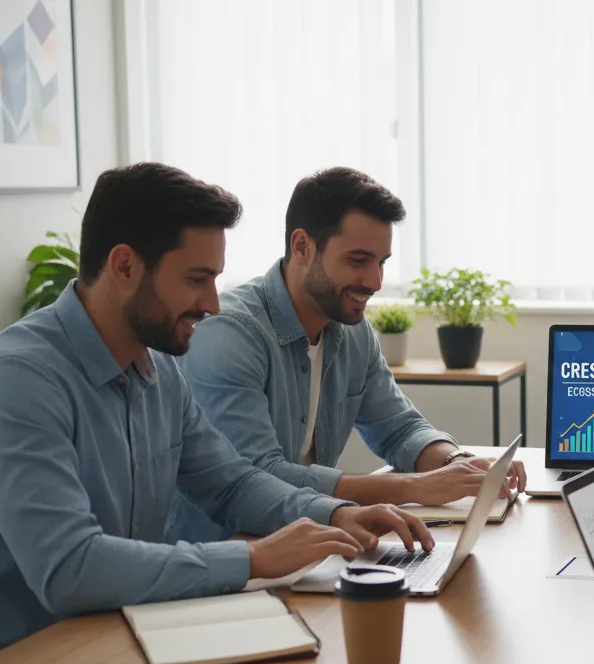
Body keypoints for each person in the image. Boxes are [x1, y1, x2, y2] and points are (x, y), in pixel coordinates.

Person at [0, 163, 434, 664]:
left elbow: (232, 484)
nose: (211, 304)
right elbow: (69, 567)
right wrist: (251, 558)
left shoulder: (159, 371)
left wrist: (337, 516)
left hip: (120, 643)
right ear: (124, 267)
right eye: (196, 279)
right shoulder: (18, 380)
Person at [166, 167, 524, 543]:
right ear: (302, 246)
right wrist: (417, 487)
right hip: (225, 559)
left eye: (382, 262)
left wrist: (457, 463)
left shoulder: (352, 329)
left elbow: (400, 428)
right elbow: (257, 476)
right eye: (358, 261)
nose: (375, 282)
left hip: (314, 545)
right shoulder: (229, 333)